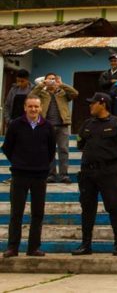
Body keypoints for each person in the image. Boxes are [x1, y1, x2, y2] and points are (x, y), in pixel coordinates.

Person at [72, 93, 117, 256]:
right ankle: (86, 244)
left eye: (93, 103)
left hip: (109, 171)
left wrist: (111, 156)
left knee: (114, 207)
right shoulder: (87, 124)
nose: (90, 106)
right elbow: (81, 144)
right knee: (87, 208)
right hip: (88, 172)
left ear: (103, 104)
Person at [2, 95, 56, 258]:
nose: (33, 109)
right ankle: (12, 247)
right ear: (25, 108)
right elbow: (7, 148)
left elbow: (51, 150)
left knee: (37, 213)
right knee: (16, 212)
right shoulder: (15, 125)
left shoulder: (47, 126)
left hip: (39, 175)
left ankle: (33, 247)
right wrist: (19, 162)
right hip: (19, 175)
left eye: (36, 107)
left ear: (40, 108)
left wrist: (41, 165)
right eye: (30, 106)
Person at [32, 72, 78, 184]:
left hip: (62, 125)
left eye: (54, 79)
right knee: (49, 151)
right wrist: (42, 84)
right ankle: (51, 175)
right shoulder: (42, 93)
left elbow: (75, 93)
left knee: (63, 150)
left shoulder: (62, 92)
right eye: (49, 79)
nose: (52, 81)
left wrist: (61, 84)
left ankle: (64, 175)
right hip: (46, 126)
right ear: (45, 80)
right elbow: (31, 96)